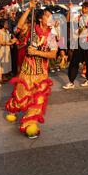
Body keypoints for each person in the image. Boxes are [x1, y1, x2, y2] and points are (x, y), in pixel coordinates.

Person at [5, 8, 58, 139]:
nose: (51, 20)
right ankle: (13, 107)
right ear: (40, 19)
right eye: (48, 17)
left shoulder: (51, 34)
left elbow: (53, 54)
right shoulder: (31, 29)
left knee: (38, 98)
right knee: (22, 95)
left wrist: (37, 52)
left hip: (41, 72)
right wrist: (29, 9)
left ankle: (30, 124)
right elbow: (19, 26)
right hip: (27, 69)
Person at [64, 2, 88, 89]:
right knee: (74, 61)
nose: (83, 9)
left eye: (86, 8)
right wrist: (69, 9)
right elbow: (68, 22)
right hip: (79, 42)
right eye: (83, 7)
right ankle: (71, 81)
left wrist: (79, 33)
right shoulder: (78, 17)